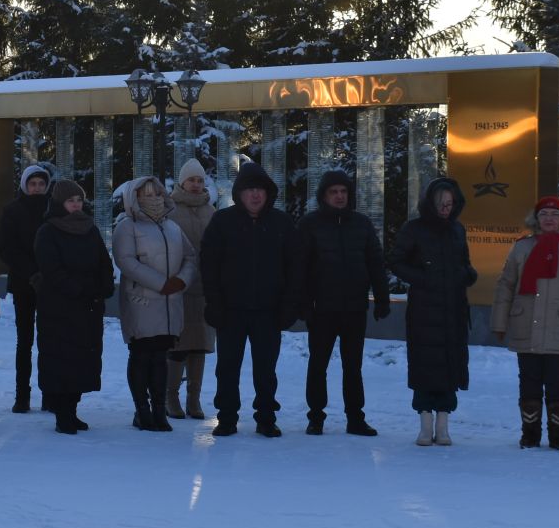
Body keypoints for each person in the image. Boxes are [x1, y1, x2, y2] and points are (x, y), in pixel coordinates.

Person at [491, 196, 559, 451]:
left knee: (558, 384)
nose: (549, 218)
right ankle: (529, 434)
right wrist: (499, 322)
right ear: (536, 219)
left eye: (555, 213)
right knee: (528, 383)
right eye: (544, 214)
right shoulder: (522, 247)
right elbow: (506, 285)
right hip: (525, 326)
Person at [198, 162, 295, 438]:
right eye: (250, 189)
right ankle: (226, 418)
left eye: (260, 190)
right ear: (239, 193)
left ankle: (266, 417)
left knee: (266, 369)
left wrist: (289, 305)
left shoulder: (282, 224)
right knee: (227, 368)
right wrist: (214, 303)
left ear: (268, 193)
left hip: (269, 311)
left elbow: (295, 267)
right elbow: (209, 265)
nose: (255, 195)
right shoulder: (222, 221)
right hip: (230, 311)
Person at [294, 169, 393, 436]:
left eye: (343, 191)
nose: (339, 196)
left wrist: (382, 298)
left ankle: (355, 418)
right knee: (318, 365)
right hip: (322, 308)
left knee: (353, 366)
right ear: (324, 196)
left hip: (354, 308)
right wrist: (303, 303)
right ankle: (316, 417)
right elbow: (299, 267)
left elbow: (375, 262)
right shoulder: (310, 224)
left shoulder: (361, 224)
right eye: (333, 192)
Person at [389, 177, 477, 446]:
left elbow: (465, 262)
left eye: (449, 204)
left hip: (453, 308)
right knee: (424, 364)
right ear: (430, 203)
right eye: (440, 203)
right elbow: (395, 260)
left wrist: (466, 274)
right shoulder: (414, 229)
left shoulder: (457, 230)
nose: (445, 208)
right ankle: (425, 424)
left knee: (451, 364)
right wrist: (423, 278)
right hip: (424, 310)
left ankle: (444, 424)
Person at [112, 175, 195, 431]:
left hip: (170, 304)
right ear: (134, 198)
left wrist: (181, 280)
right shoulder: (127, 226)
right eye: (147, 194)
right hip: (143, 302)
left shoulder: (172, 226)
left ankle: (159, 410)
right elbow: (126, 261)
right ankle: (142, 410)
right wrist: (161, 283)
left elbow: (190, 256)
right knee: (141, 356)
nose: (154, 199)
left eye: (158, 194)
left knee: (161, 358)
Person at [34, 179, 112, 434]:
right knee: (61, 359)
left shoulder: (90, 229)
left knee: (82, 359)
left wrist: (105, 285)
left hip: (87, 307)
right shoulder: (48, 231)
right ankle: (62, 413)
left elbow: (103, 260)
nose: (76, 205)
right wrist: (78, 290)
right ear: (59, 204)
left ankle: (73, 409)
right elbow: (51, 269)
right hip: (59, 307)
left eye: (79, 200)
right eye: (71, 201)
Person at [164, 158, 217, 420]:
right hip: (179, 288)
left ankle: (193, 399)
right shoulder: (170, 210)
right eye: (191, 180)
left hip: (206, 289)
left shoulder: (212, 212)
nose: (196, 185)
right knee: (177, 345)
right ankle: (170, 397)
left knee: (201, 346)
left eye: (200, 180)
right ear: (182, 181)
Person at [0, 163, 52, 413]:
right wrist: (32, 273)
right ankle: (22, 396)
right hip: (23, 284)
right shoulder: (12, 210)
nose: (37, 188)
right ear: (25, 185)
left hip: (52, 286)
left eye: (41, 184)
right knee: (25, 342)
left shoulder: (55, 209)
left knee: (50, 342)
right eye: (33, 184)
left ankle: (50, 395)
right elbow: (7, 249)